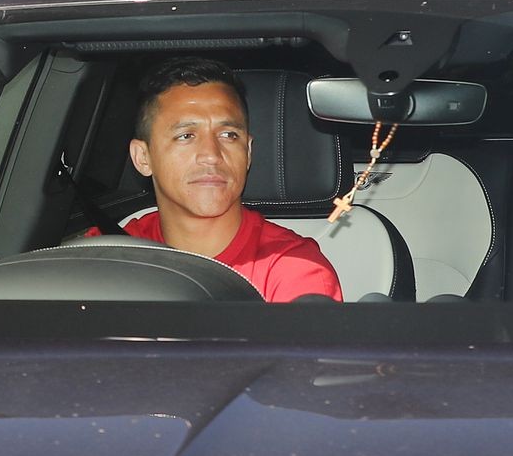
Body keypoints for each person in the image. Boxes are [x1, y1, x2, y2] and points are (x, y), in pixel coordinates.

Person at [98, 57, 342, 302]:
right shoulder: (106, 254)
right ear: (143, 158)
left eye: (228, 135)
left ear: (247, 152)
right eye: (186, 136)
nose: (211, 156)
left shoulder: (294, 271)